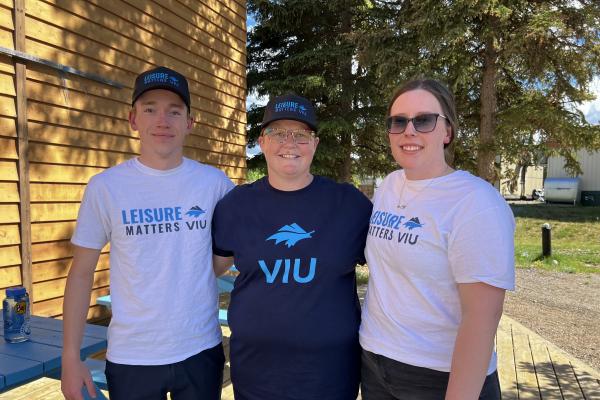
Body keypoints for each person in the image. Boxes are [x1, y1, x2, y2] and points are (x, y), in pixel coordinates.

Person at [61, 66, 233, 400]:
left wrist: (198, 267)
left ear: (189, 123)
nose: (162, 121)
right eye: (150, 109)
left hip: (200, 349)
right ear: (133, 119)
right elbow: (81, 275)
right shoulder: (106, 188)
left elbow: (233, 247)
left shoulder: (215, 184)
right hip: (132, 356)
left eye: (174, 111)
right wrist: (70, 358)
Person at [359, 79, 515, 400]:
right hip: (375, 363)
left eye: (424, 120)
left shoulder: (476, 203)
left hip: (440, 376)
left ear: (447, 132)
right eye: (398, 121)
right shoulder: (388, 185)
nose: (409, 131)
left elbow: (482, 318)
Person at [211, 94, 372, 400]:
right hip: (257, 375)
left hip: (330, 377)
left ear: (315, 143)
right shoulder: (236, 206)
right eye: (279, 133)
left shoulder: (349, 204)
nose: (290, 143)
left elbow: (393, 267)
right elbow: (206, 269)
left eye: (301, 134)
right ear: (262, 141)